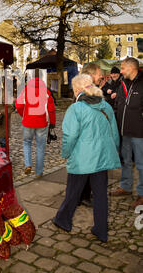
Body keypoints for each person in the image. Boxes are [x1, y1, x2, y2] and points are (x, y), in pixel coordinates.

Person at [52, 74, 121, 243]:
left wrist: (65, 154)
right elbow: (114, 134)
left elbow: (70, 136)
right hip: (101, 159)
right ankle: (101, 230)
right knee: (100, 195)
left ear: (78, 90)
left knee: (73, 193)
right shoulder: (105, 106)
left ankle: (63, 220)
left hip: (82, 159)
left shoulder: (76, 109)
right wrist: (113, 151)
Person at [111, 57, 143, 208]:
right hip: (124, 131)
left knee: (142, 164)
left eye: (123, 68)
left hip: (139, 132)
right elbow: (118, 104)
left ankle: (142, 194)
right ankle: (126, 186)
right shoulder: (122, 83)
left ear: (132, 68)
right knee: (125, 161)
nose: (121, 71)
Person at [15, 71, 56, 178]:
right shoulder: (46, 92)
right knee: (40, 147)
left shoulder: (25, 91)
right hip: (42, 123)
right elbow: (51, 109)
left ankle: (28, 164)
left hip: (28, 122)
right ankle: (38, 172)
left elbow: (18, 105)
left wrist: (23, 115)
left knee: (27, 143)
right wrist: (53, 122)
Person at [78, 62, 104, 206]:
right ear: (91, 75)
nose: (101, 76)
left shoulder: (91, 90)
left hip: (93, 136)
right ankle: (81, 196)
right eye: (99, 73)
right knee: (85, 170)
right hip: (86, 137)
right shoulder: (84, 92)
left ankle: (84, 194)